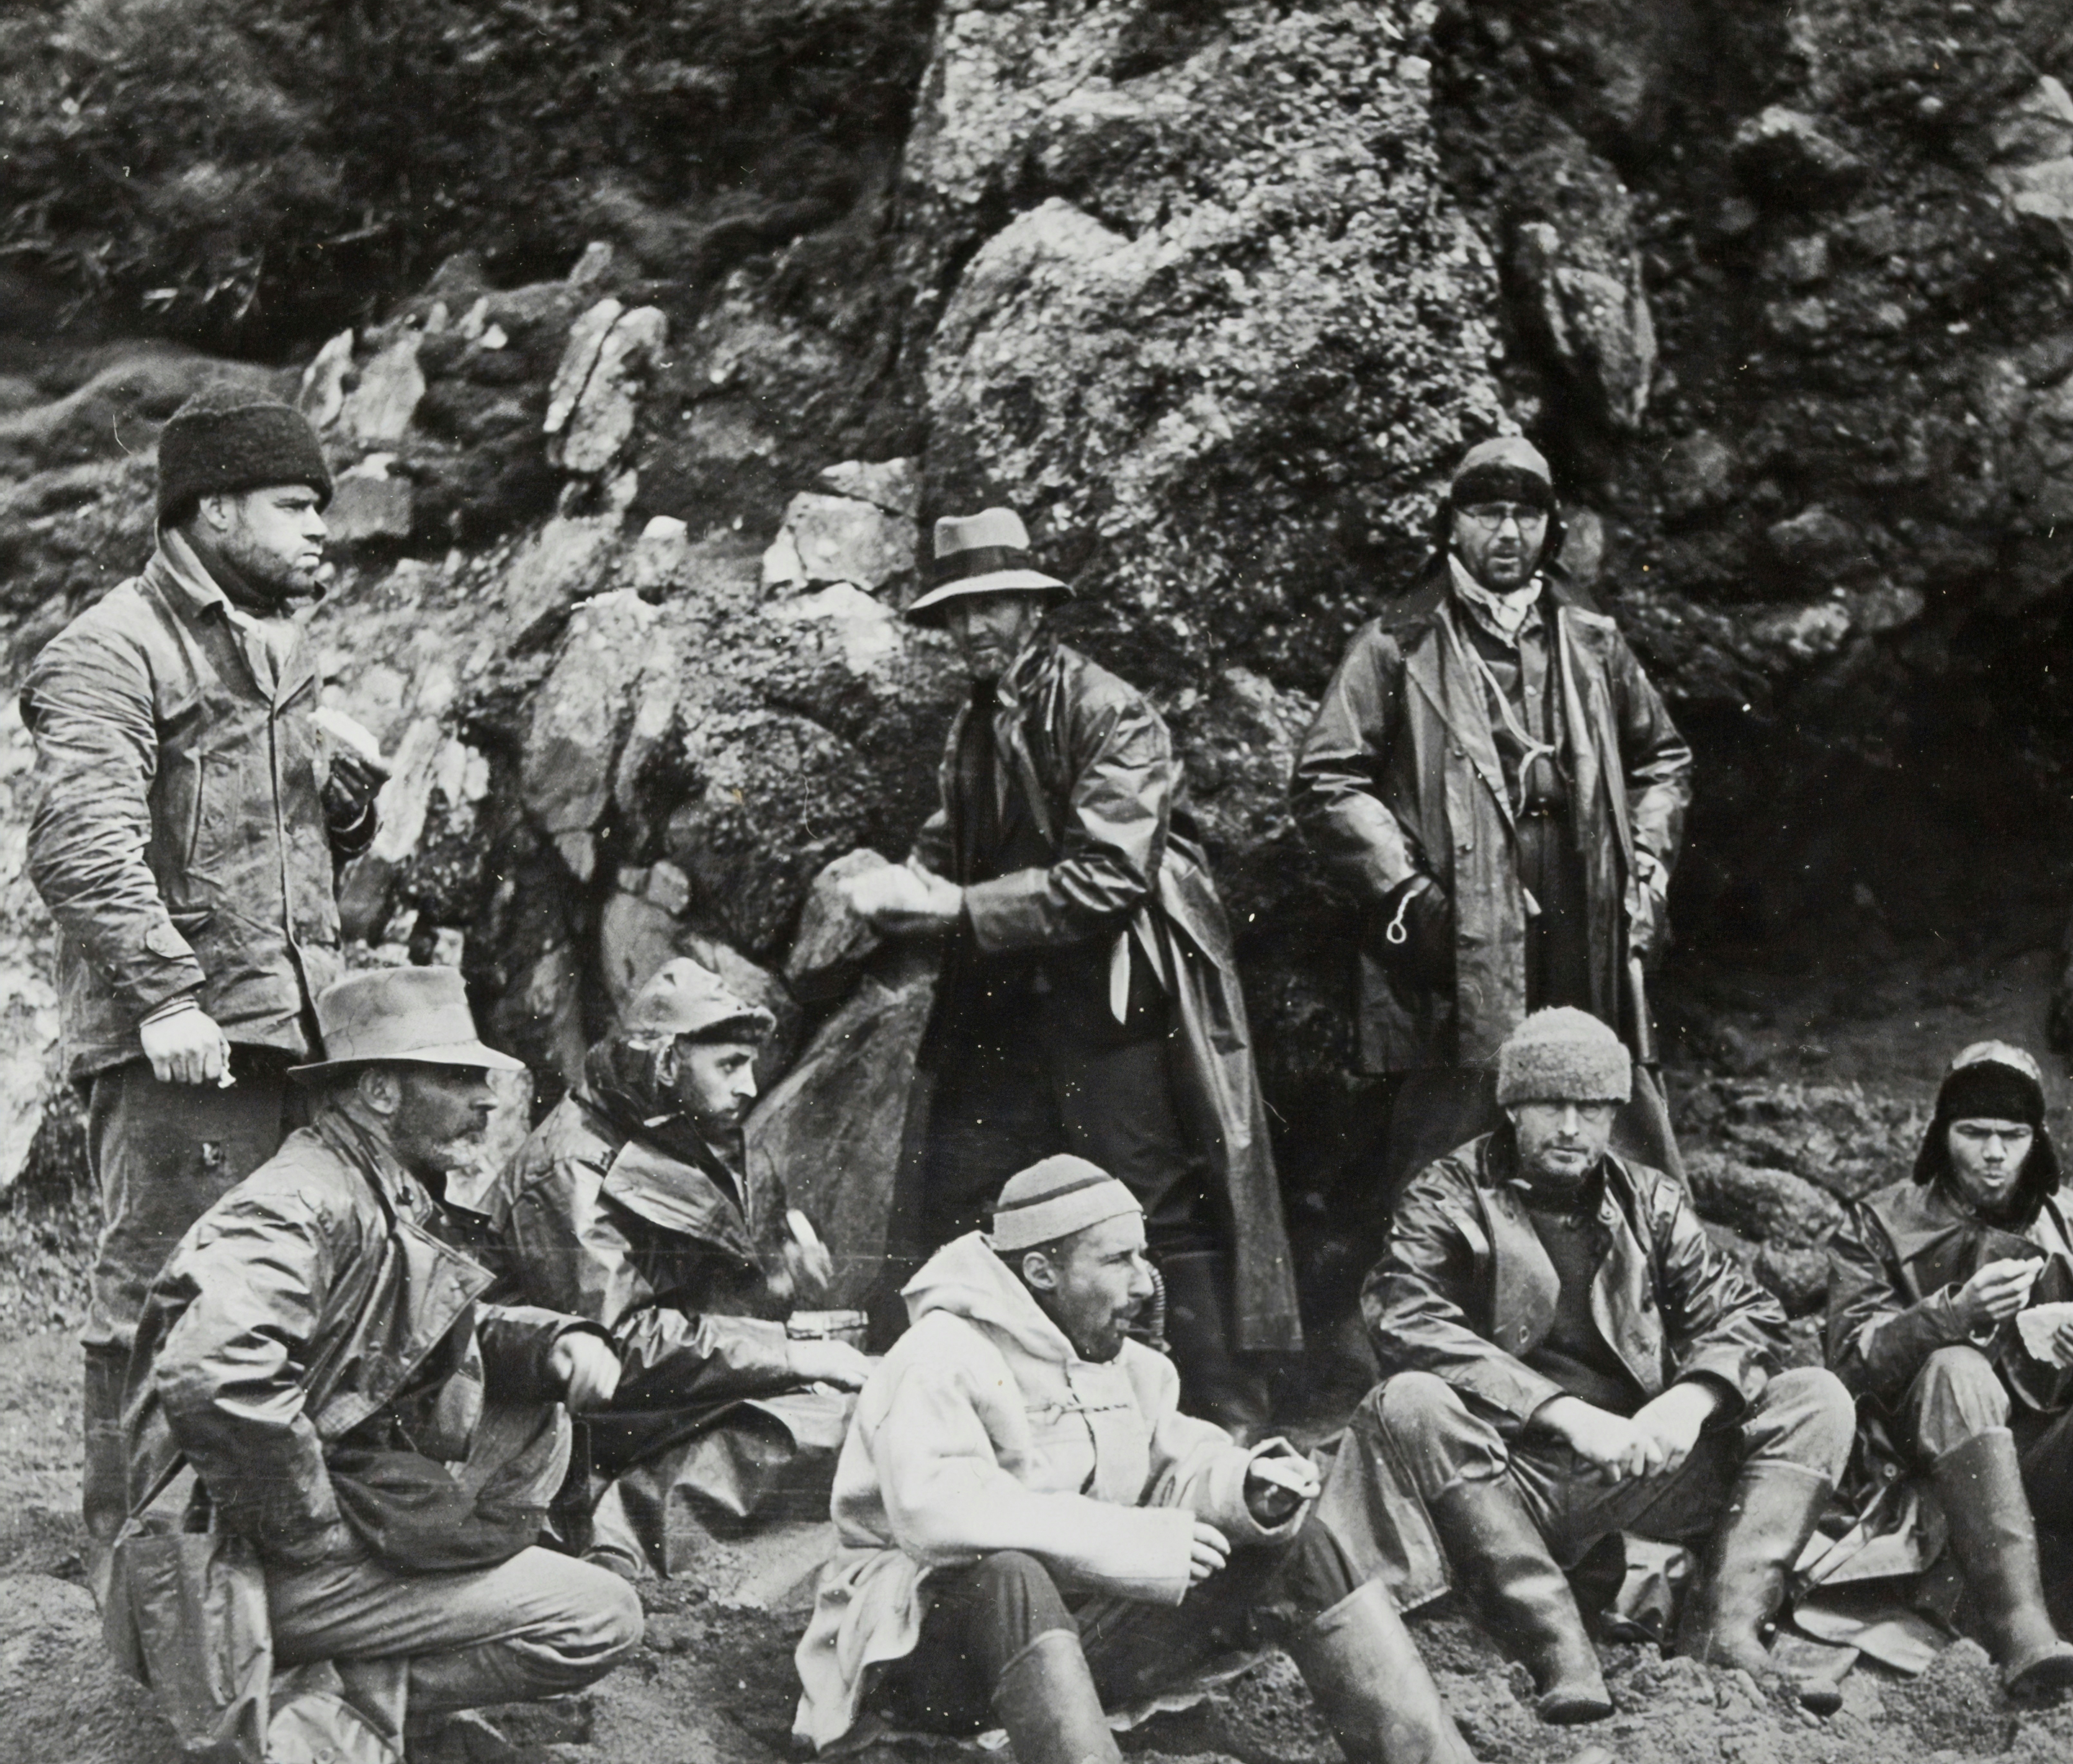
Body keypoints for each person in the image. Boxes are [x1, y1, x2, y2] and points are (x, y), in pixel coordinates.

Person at [793, 1155, 1617, 1764]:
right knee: (1006, 1572)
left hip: (1066, 1645)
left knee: (1295, 1540)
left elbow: (1174, 1458)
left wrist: (1240, 1487)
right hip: (916, 1661)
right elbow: (939, 1513)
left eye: (1142, 1256)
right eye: (1115, 1261)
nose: (1145, 1282)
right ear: (1040, 1271)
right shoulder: (940, 1355)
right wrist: (1139, 1539)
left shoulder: (1115, 1357)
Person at [106, 968, 643, 1764]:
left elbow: (429, 1322)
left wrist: (553, 1344)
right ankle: (339, 1697)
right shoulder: (297, 1205)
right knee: (599, 1619)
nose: (484, 1102)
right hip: (227, 1565)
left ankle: (351, 1669)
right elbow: (217, 1373)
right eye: (457, 1079)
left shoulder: (370, 1184)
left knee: (539, 1407)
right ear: (382, 1090)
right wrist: (315, 1530)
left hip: (277, 1528)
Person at [840, 505, 1301, 1436]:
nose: (974, 629)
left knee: (1152, 1209)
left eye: (994, 607)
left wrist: (952, 906)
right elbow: (950, 840)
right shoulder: (973, 728)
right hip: (1007, 1010)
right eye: (958, 614)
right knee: (966, 1196)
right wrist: (901, 875)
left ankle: (1221, 1420)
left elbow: (1108, 877)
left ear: (1031, 610)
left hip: (1109, 1000)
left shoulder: (1106, 709)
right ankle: (992, 1417)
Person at [23, 383, 383, 1550]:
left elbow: (261, 846)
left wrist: (344, 804)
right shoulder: (109, 649)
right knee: (159, 1305)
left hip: (289, 1035)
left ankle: (250, 1571)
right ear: (211, 509)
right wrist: (166, 994)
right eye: (294, 505)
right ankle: (140, 1580)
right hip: (181, 1046)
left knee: (276, 1303)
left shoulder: (276, 645)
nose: (320, 527)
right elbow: (84, 839)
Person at [1311, 1006, 1855, 1716]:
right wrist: (1562, 1413)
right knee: (1411, 1399)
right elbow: (1406, 1316)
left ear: (1613, 1114)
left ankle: (1728, 1630)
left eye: (1591, 1108)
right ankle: (1556, 1645)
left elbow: (1746, 1314)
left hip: (1627, 1469)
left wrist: (1690, 1401)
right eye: (1550, 1105)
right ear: (1512, 1107)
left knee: (1816, 1397)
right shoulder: (1447, 1193)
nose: (1571, 1128)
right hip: (1498, 1476)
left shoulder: (1652, 1201)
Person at [1291, 434, 1692, 1195]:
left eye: (1525, 516)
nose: (1508, 534)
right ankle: (1441, 1292)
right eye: (1487, 514)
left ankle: (1631, 1288)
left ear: (1550, 529)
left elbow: (1664, 760)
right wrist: (1409, 896)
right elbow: (1327, 779)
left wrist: (1645, 873)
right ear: (1452, 525)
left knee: (1604, 1097)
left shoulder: (1591, 639)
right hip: (1462, 930)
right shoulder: (1396, 644)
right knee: (1456, 1129)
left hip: (1583, 911)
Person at [1824, 1040, 2073, 1700]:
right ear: (1941, 1134)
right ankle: (2025, 1633)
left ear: (2039, 1139)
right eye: (1973, 1133)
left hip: (2055, 1463)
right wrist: (1951, 1313)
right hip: (1932, 1474)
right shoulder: (1880, 1224)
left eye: (2013, 1135)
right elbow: (1848, 1368)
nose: (1995, 1154)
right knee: (1957, 1368)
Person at [490, 957, 871, 1574]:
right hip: (570, 1431)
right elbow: (614, 1345)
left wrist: (777, 1284)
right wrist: (789, 1353)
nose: (748, 1087)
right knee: (820, 1423)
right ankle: (630, 1549)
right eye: (729, 1065)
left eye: (748, 1065)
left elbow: (685, 1304)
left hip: (656, 1392)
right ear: (666, 1061)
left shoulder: (668, 1129)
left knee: (860, 1391)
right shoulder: (571, 1167)